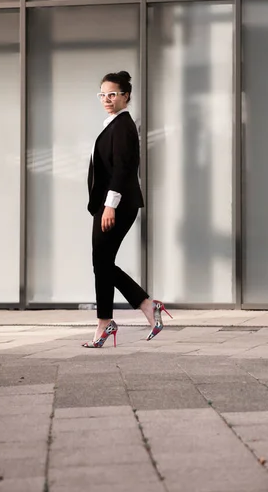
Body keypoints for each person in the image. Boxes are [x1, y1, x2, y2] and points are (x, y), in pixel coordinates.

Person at [82, 70, 172, 348]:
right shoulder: (114, 123)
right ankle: (143, 306)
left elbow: (123, 169)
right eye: (103, 94)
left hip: (117, 205)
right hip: (112, 204)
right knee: (102, 263)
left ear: (126, 96)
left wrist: (110, 206)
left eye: (113, 94)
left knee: (102, 262)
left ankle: (108, 321)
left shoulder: (122, 125)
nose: (107, 99)